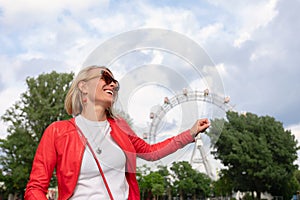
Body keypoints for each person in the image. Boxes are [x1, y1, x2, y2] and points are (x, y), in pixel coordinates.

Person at [24, 65, 210, 200]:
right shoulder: (57, 131)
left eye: (115, 83)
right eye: (106, 78)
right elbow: (35, 188)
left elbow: (151, 153)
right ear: (83, 86)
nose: (112, 85)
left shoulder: (120, 127)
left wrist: (190, 133)